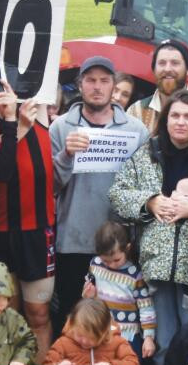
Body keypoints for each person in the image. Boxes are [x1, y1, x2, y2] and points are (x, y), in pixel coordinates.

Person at [108, 90, 188, 354]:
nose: (181, 122)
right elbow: (117, 194)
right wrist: (150, 201)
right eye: (175, 115)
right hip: (155, 263)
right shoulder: (145, 154)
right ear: (165, 119)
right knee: (163, 340)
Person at [50, 56, 149, 332]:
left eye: (104, 80)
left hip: (118, 244)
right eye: (90, 80)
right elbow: (51, 187)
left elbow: (142, 186)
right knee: (72, 316)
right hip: (72, 241)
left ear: (113, 86)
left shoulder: (136, 130)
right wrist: (66, 155)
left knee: (117, 321)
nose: (97, 87)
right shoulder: (59, 127)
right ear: (80, 85)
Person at [0, 83, 59, 353]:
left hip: (37, 232)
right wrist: (16, 123)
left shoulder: (45, 122)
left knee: (38, 313)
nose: (8, 95)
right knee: (5, 315)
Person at [83, 220, 155, 355]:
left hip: (128, 335)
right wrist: (88, 295)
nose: (111, 265)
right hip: (101, 331)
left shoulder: (134, 274)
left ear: (127, 249)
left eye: (116, 260)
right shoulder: (95, 265)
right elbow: (88, 292)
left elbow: (146, 307)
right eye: (105, 260)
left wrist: (148, 337)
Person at [128, 39, 188, 133]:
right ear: (154, 70)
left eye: (175, 63)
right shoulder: (135, 111)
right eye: (162, 63)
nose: (167, 69)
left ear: (187, 71)